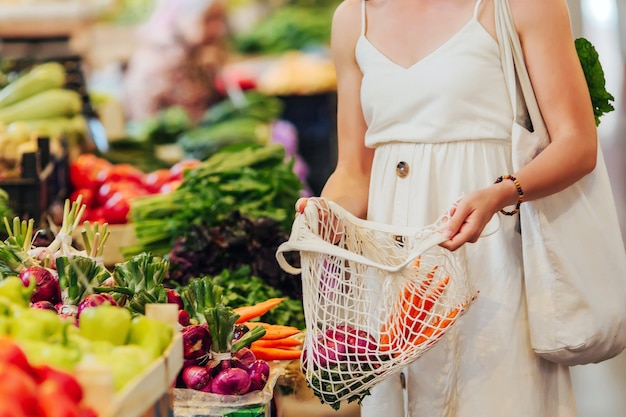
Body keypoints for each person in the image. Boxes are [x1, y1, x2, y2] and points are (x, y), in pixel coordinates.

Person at [295, 0, 598, 416]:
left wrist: (502, 193)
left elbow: (577, 143)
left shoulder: (522, 5)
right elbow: (353, 170)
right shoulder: (353, 17)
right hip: (393, 279)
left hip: (491, 258)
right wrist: (326, 214)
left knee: (496, 395)